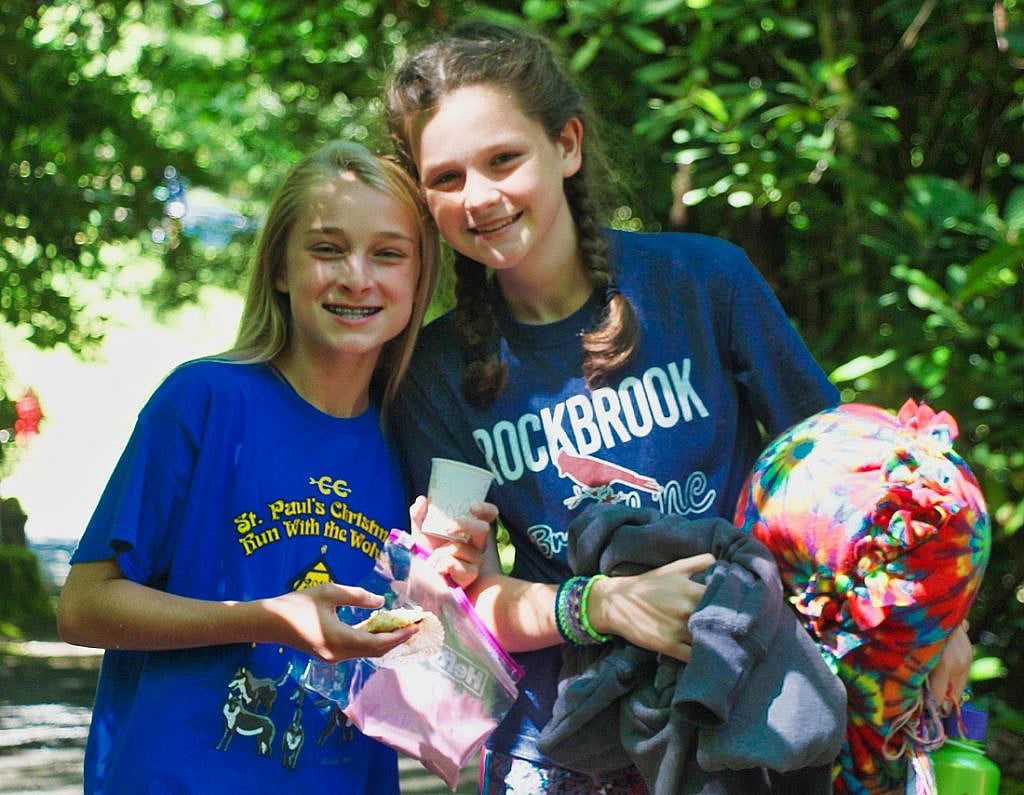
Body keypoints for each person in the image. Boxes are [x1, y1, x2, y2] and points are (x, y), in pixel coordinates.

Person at [383, 21, 973, 794]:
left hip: (756, 713)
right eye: (447, 177)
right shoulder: (433, 375)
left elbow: (842, 486)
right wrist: (603, 605)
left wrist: (940, 619)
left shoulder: (704, 283)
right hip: (567, 746)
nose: (481, 197)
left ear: (566, 144)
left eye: (503, 159)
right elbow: (472, 599)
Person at [56, 140, 494, 794]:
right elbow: (83, 607)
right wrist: (268, 618)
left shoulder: (414, 438)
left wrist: (449, 589)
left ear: (417, 279)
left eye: (388, 253)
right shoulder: (203, 400)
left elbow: (419, 675)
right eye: (327, 249)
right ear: (281, 269)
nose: (357, 277)